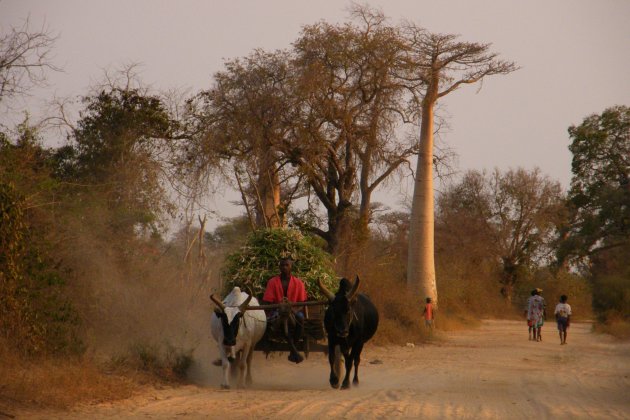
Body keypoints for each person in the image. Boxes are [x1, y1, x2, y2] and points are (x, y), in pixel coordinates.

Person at [262, 257, 308, 363]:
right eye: (282, 265)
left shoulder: (298, 283)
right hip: (277, 311)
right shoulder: (272, 282)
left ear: (291, 266)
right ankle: (294, 351)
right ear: (279, 267)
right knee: (280, 320)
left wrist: (295, 310)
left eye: (287, 265)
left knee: (301, 319)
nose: (284, 267)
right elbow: (268, 302)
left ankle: (293, 349)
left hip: (294, 310)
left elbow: (302, 303)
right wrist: (279, 308)